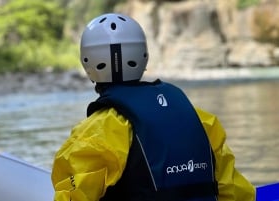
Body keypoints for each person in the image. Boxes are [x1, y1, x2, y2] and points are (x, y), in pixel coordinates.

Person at [51, 13, 255, 201]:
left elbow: (72, 195)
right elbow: (236, 191)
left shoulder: (96, 133)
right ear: (143, 56)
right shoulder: (200, 120)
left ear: (88, 64)